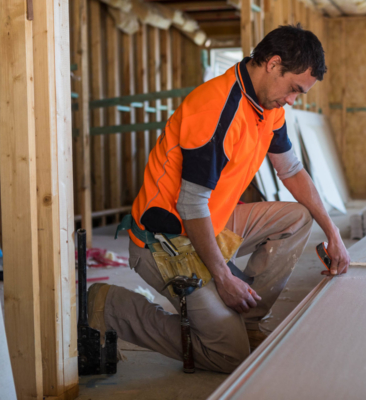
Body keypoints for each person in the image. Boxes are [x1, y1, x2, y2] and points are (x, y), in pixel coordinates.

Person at [87, 24, 350, 374]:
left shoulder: (268, 108)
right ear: (273, 64)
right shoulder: (215, 109)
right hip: (167, 241)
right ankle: (112, 307)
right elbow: (190, 205)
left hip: (210, 220)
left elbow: (291, 170)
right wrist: (223, 278)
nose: (291, 100)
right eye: (293, 89)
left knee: (299, 218)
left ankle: (247, 319)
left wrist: (332, 232)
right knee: (230, 357)